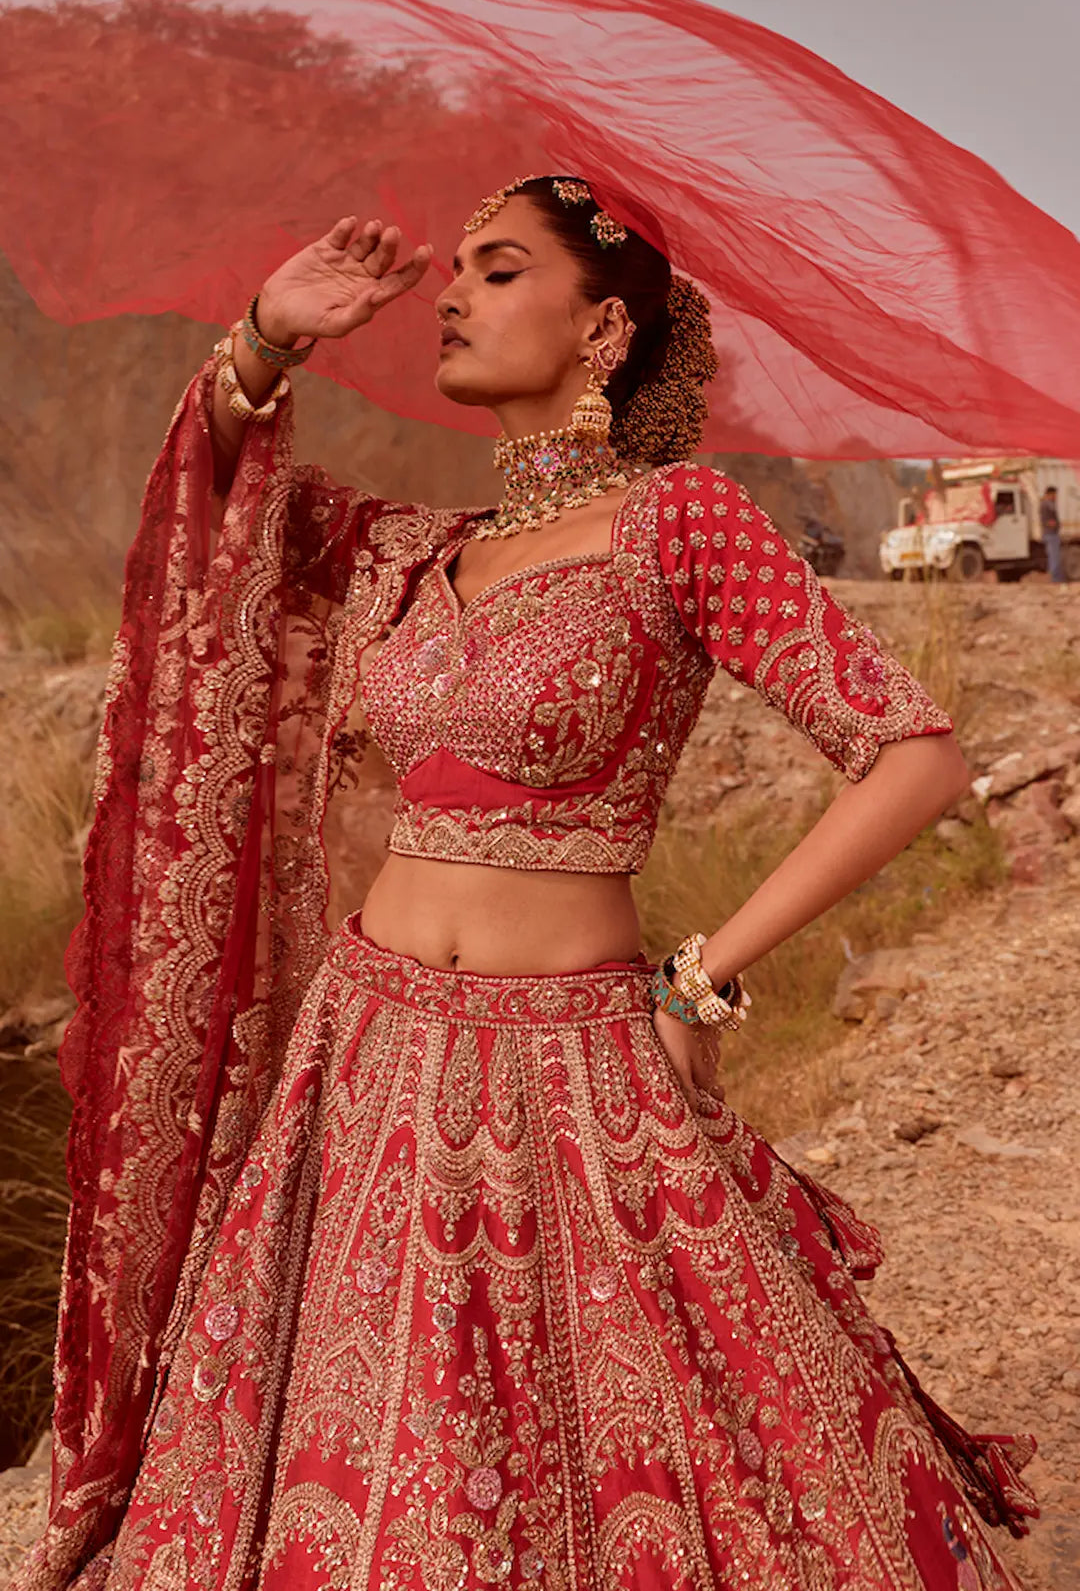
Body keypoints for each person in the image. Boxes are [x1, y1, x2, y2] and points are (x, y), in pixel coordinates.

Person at [16, 177, 1037, 1591]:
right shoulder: (414, 552)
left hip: (575, 1071)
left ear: (603, 328)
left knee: (649, 1454)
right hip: (362, 1067)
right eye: (458, 273)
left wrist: (702, 974)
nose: (450, 293)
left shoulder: (678, 525)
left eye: (498, 271)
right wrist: (268, 334)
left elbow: (912, 756)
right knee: (361, 1454)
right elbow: (217, 522)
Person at [1039, 485, 1067, 582]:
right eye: (1054, 494)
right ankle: (1056, 579)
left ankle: (1056, 577)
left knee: (1054, 557)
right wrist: (1056, 525)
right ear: (1049, 494)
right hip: (1051, 534)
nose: (1055, 496)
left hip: (1051, 534)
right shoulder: (1046, 505)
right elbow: (1046, 521)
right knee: (1054, 557)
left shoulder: (1049, 504)